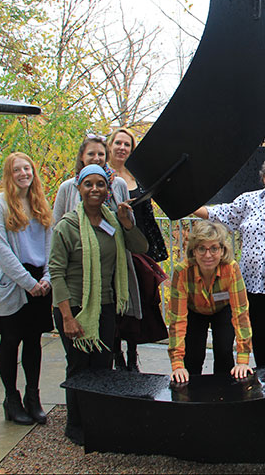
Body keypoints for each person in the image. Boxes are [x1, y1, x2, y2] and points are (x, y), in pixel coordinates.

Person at [49, 164, 148, 445]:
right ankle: (76, 424)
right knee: (79, 366)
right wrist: (67, 318)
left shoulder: (112, 222)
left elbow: (140, 248)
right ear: (78, 188)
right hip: (74, 306)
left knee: (102, 365)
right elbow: (56, 272)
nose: (95, 189)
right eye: (88, 184)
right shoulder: (67, 227)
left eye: (101, 184)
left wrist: (128, 223)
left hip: (105, 305)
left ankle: (99, 419)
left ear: (108, 189)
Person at [193, 153, 265, 366]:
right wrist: (189, 207)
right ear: (263, 176)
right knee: (260, 337)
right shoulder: (248, 201)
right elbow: (221, 214)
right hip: (253, 286)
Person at [0, 153, 53, 426]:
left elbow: (48, 241)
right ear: (9, 174)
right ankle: (11, 400)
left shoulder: (38, 202)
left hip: (39, 280)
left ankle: (32, 398)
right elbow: (0, 250)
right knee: (11, 341)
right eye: (17, 170)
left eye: (27, 168)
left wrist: (47, 276)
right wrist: (27, 282)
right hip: (13, 281)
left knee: (33, 342)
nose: (24, 173)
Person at [107, 127, 169, 371]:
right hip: (115, 248)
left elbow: (147, 215)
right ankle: (117, 356)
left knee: (140, 304)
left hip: (139, 247)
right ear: (110, 146)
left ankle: (133, 355)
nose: (122, 148)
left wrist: (153, 251)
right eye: (118, 143)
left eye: (127, 145)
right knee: (117, 304)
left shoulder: (137, 176)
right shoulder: (103, 177)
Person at [167, 220, 253, 382]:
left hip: (223, 309)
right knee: (193, 356)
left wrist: (243, 359)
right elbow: (177, 319)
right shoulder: (183, 271)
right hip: (194, 311)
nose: (208, 255)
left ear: (222, 250)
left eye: (214, 248)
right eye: (202, 248)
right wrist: (177, 364)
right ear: (193, 251)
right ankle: (190, 399)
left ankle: (224, 396)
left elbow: (241, 313)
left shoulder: (231, 268)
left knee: (223, 351)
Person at [53, 134, 129, 223]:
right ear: (82, 156)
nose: (96, 158)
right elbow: (56, 225)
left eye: (100, 154)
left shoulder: (119, 184)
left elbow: (130, 222)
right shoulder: (67, 187)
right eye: (91, 154)